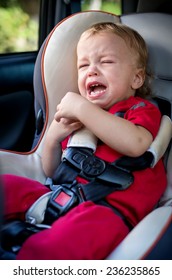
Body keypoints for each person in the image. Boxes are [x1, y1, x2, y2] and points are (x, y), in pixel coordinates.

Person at [1, 22, 167, 260]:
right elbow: (53, 171)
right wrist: (53, 138)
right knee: (7, 187)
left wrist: (81, 107)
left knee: (57, 248)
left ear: (137, 78)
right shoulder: (79, 119)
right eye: (83, 65)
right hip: (60, 194)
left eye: (106, 62)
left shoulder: (140, 108)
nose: (91, 70)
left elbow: (136, 144)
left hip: (109, 211)